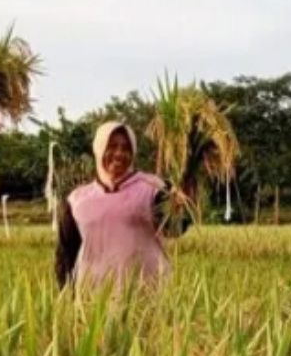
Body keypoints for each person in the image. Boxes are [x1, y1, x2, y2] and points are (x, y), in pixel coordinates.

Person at [55, 121, 191, 290]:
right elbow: (66, 254)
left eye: (126, 148)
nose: (119, 153)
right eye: (111, 146)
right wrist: (65, 295)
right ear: (98, 149)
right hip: (93, 300)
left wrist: (179, 207)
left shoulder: (154, 188)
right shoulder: (77, 200)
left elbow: (174, 229)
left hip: (149, 295)